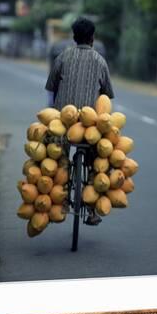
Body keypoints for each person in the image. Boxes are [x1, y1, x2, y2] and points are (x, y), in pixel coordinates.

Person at [45, 17, 115, 225]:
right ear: (92, 38)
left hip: (63, 124)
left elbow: (51, 86)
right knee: (99, 164)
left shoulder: (63, 57)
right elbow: (107, 95)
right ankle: (92, 209)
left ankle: (62, 200)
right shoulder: (100, 61)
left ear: (74, 38)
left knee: (58, 160)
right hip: (89, 126)